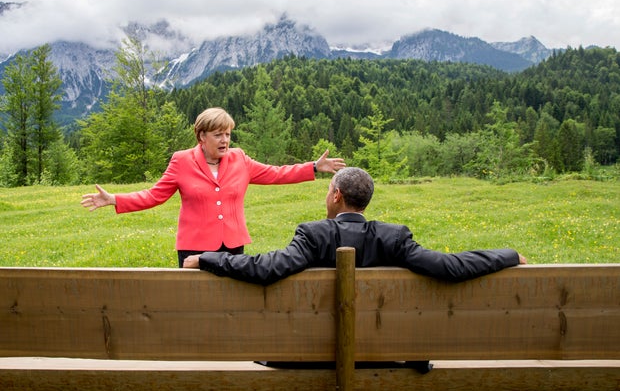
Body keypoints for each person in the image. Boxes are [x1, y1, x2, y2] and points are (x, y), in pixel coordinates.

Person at [81, 107, 346, 268]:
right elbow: (154, 195)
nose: (225, 140)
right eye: (218, 134)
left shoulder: (240, 158)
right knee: (195, 304)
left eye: (228, 134)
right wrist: (115, 199)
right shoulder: (181, 161)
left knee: (231, 302)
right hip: (194, 246)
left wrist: (312, 167)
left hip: (232, 245)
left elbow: (275, 173)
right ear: (201, 136)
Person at [183, 166, 527, 283]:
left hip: (311, 354)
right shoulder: (394, 238)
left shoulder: (313, 235)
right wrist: (507, 255)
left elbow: (266, 268)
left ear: (335, 195)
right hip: (382, 352)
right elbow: (450, 266)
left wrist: (208, 258)